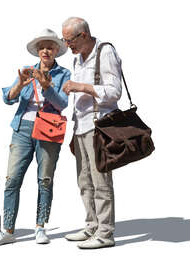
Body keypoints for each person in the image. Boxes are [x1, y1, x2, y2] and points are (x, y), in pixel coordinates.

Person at [0, 29, 70, 246]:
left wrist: (46, 85)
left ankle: (40, 227)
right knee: (12, 179)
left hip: (49, 129)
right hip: (23, 128)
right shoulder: (27, 71)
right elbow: (8, 98)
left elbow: (62, 103)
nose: (45, 50)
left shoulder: (64, 74)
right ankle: (8, 230)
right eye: (42, 47)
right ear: (37, 51)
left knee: (45, 180)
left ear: (56, 51)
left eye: (50, 47)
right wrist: (20, 85)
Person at [62, 17, 122, 249]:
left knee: (101, 182)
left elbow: (114, 91)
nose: (68, 46)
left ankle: (105, 233)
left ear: (83, 35)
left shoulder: (104, 52)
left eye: (70, 40)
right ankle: (92, 226)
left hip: (99, 128)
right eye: (65, 41)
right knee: (84, 181)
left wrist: (81, 87)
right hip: (81, 127)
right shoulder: (77, 59)